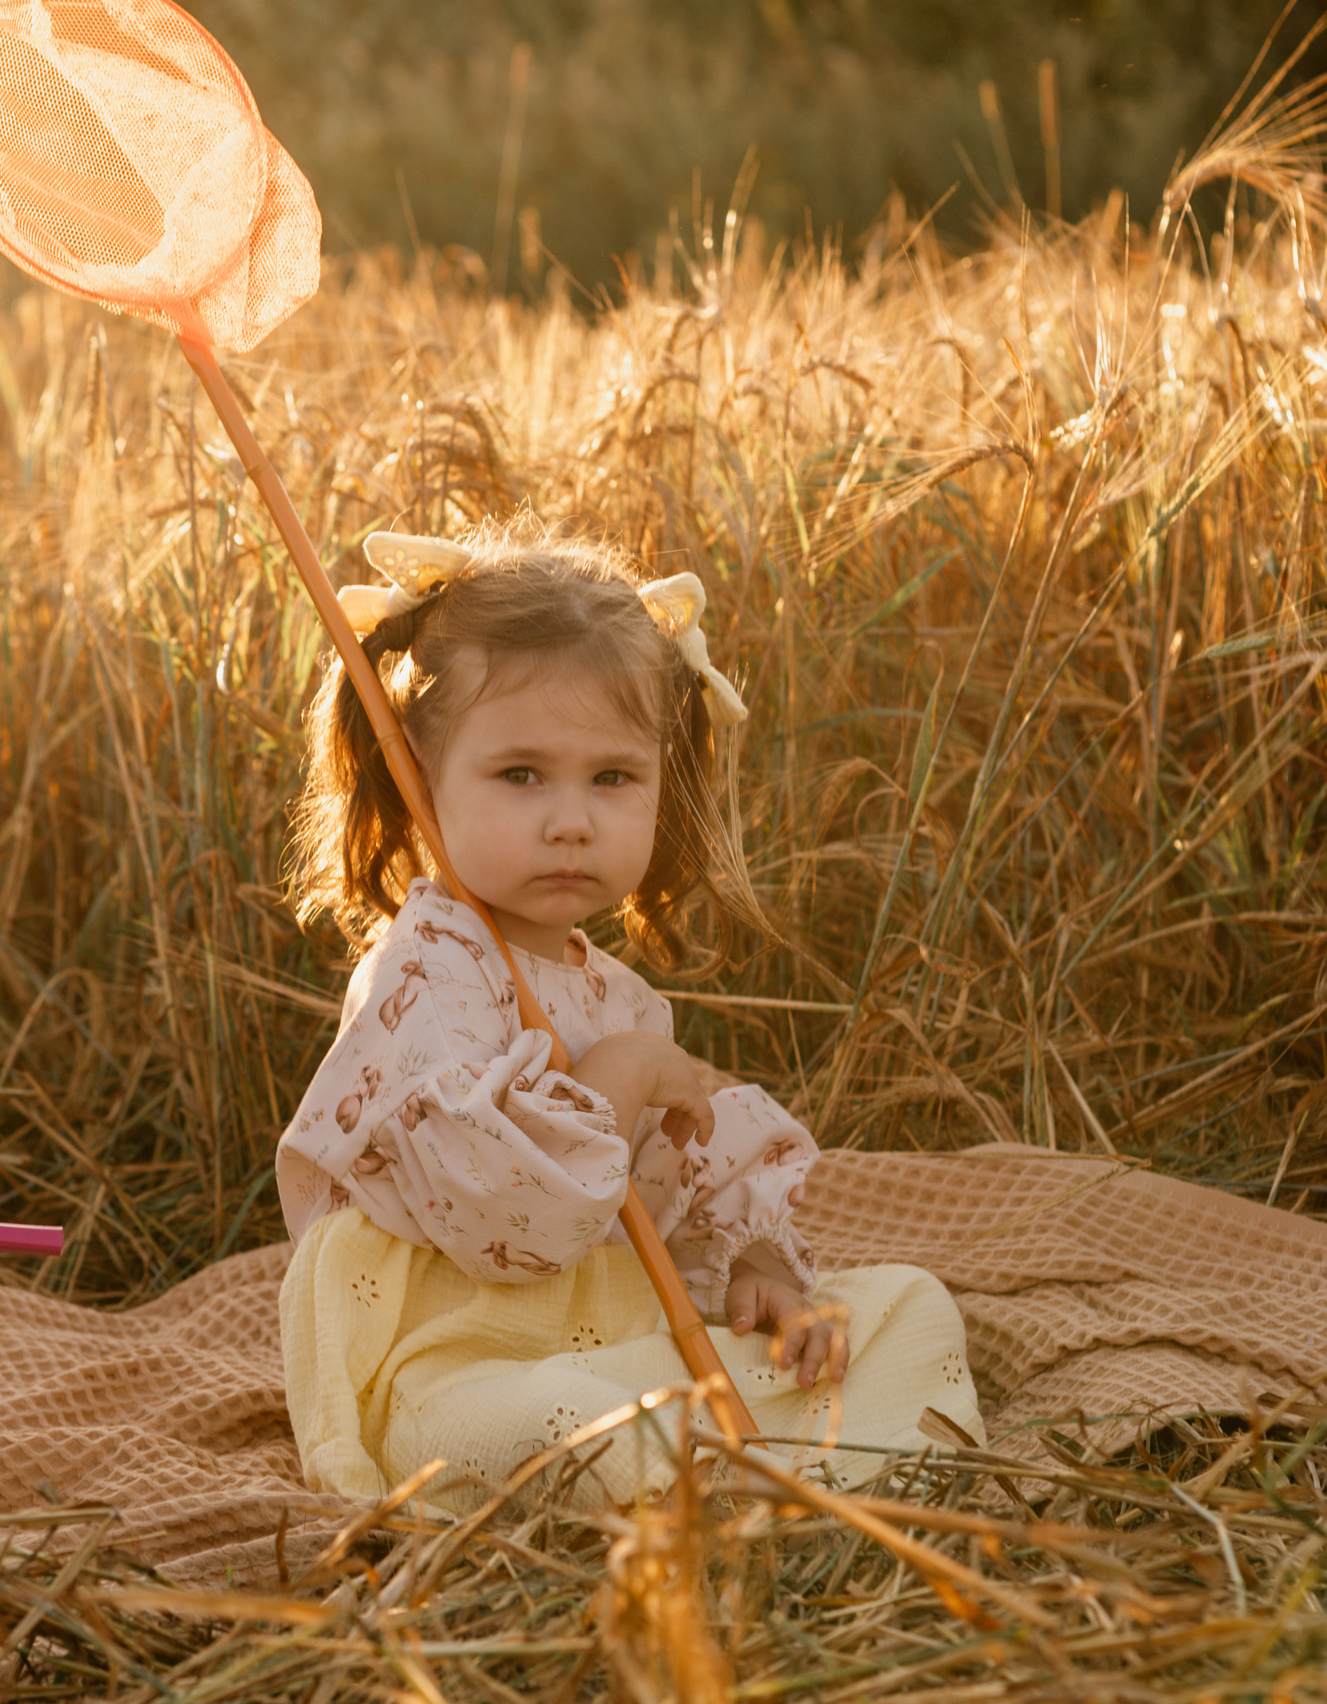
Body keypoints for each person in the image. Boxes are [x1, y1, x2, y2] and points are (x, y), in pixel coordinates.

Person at [276, 523, 980, 1511]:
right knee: (557, 1420)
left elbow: (675, 1190)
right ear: (420, 780)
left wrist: (759, 1274)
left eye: (612, 778)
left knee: (909, 1310)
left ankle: (749, 1464)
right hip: (449, 1360)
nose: (572, 821)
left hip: (606, 1337)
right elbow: (504, 1217)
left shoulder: (614, 994)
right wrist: (630, 1070)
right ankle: (731, 1477)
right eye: (520, 774)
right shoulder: (423, 972)